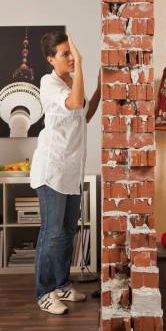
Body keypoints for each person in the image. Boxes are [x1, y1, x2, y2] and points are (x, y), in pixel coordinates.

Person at [30, 31, 101, 315]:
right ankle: (44, 293)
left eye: (72, 53)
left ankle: (62, 284)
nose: (71, 58)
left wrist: (99, 89)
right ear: (51, 59)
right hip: (52, 169)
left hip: (71, 171)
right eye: (65, 54)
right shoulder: (49, 82)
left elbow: (83, 114)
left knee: (68, 231)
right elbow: (73, 104)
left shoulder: (72, 83)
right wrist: (82, 64)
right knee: (52, 232)